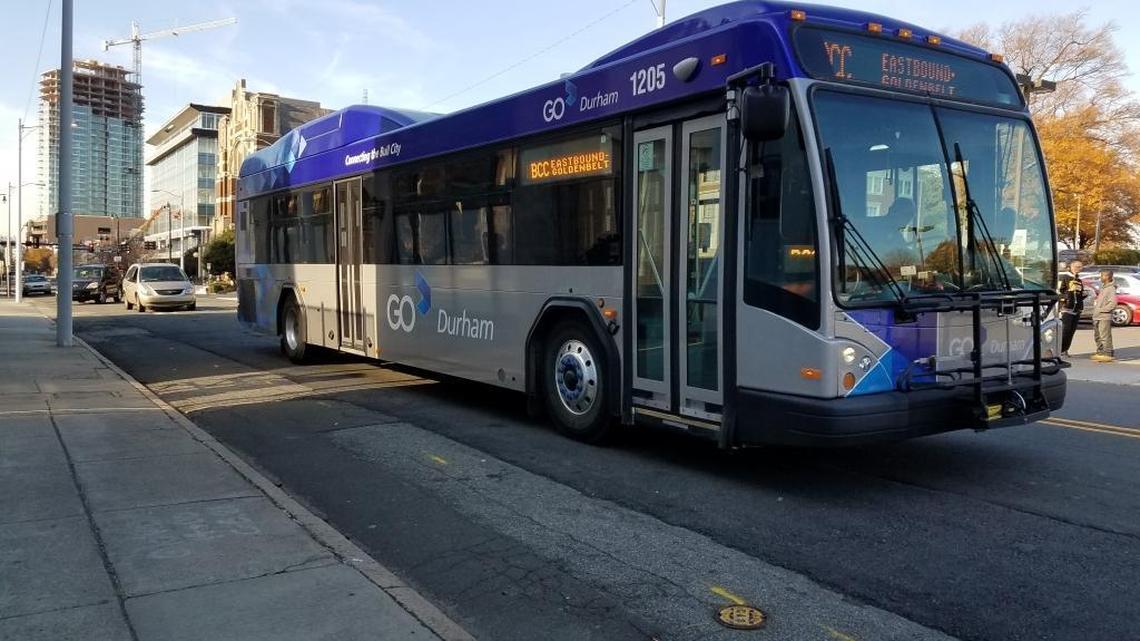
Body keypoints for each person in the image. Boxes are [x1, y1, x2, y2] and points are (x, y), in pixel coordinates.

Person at [1058, 260, 1084, 358]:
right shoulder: (1065, 277)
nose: (1079, 269)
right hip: (1067, 309)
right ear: (1071, 267)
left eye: (1080, 267)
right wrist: (1067, 298)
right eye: (1077, 267)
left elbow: (1078, 294)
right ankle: (1060, 350)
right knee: (1066, 330)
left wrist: (1082, 297)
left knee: (1071, 331)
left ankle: (1065, 350)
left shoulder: (1078, 280)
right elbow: (1060, 292)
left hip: (1076, 309)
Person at [1092, 269, 1117, 362]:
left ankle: (1108, 354)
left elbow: (1113, 303)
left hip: (1104, 317)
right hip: (1097, 316)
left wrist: (1101, 310)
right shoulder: (1104, 287)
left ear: (1108, 277)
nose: (1100, 277)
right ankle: (1100, 352)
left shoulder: (1111, 288)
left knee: (1105, 336)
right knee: (1097, 336)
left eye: (1102, 276)